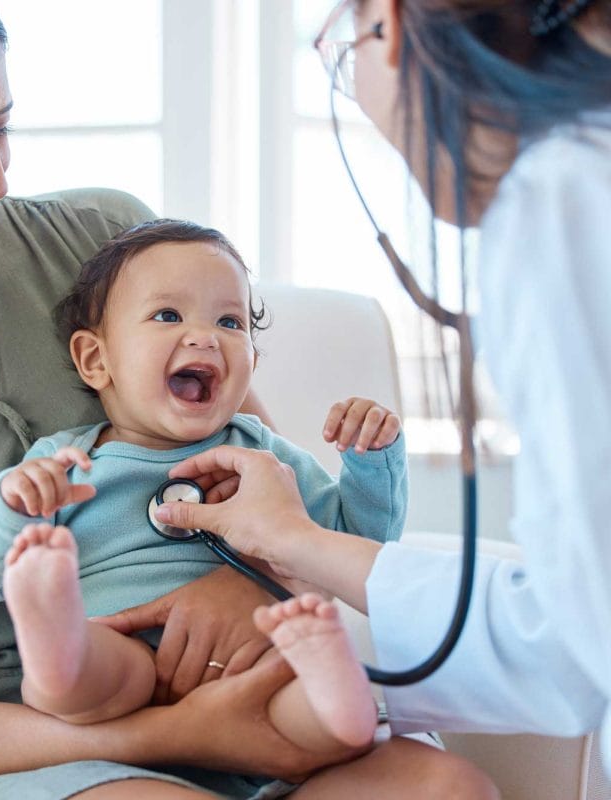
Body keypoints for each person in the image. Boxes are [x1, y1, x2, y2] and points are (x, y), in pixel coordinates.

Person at [0, 1, 501, 798]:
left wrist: (249, 590)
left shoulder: (102, 241)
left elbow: (268, 496)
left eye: (1, 127)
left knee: (444, 790)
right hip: (8, 752)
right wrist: (171, 732)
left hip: (236, 688)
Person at [147, 0, 611, 779]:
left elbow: (578, 639)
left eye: (342, 53)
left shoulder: (562, 200)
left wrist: (304, 536)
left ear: (388, 27)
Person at [0, 218, 408, 758]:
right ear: (96, 360)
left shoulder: (263, 456)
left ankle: (337, 697)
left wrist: (370, 462)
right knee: (86, 677)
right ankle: (55, 635)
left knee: (300, 706)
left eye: (230, 321)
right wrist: (8, 504)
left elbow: (353, 543)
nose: (205, 335)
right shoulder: (68, 464)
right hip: (117, 643)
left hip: (253, 657)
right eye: (167, 315)